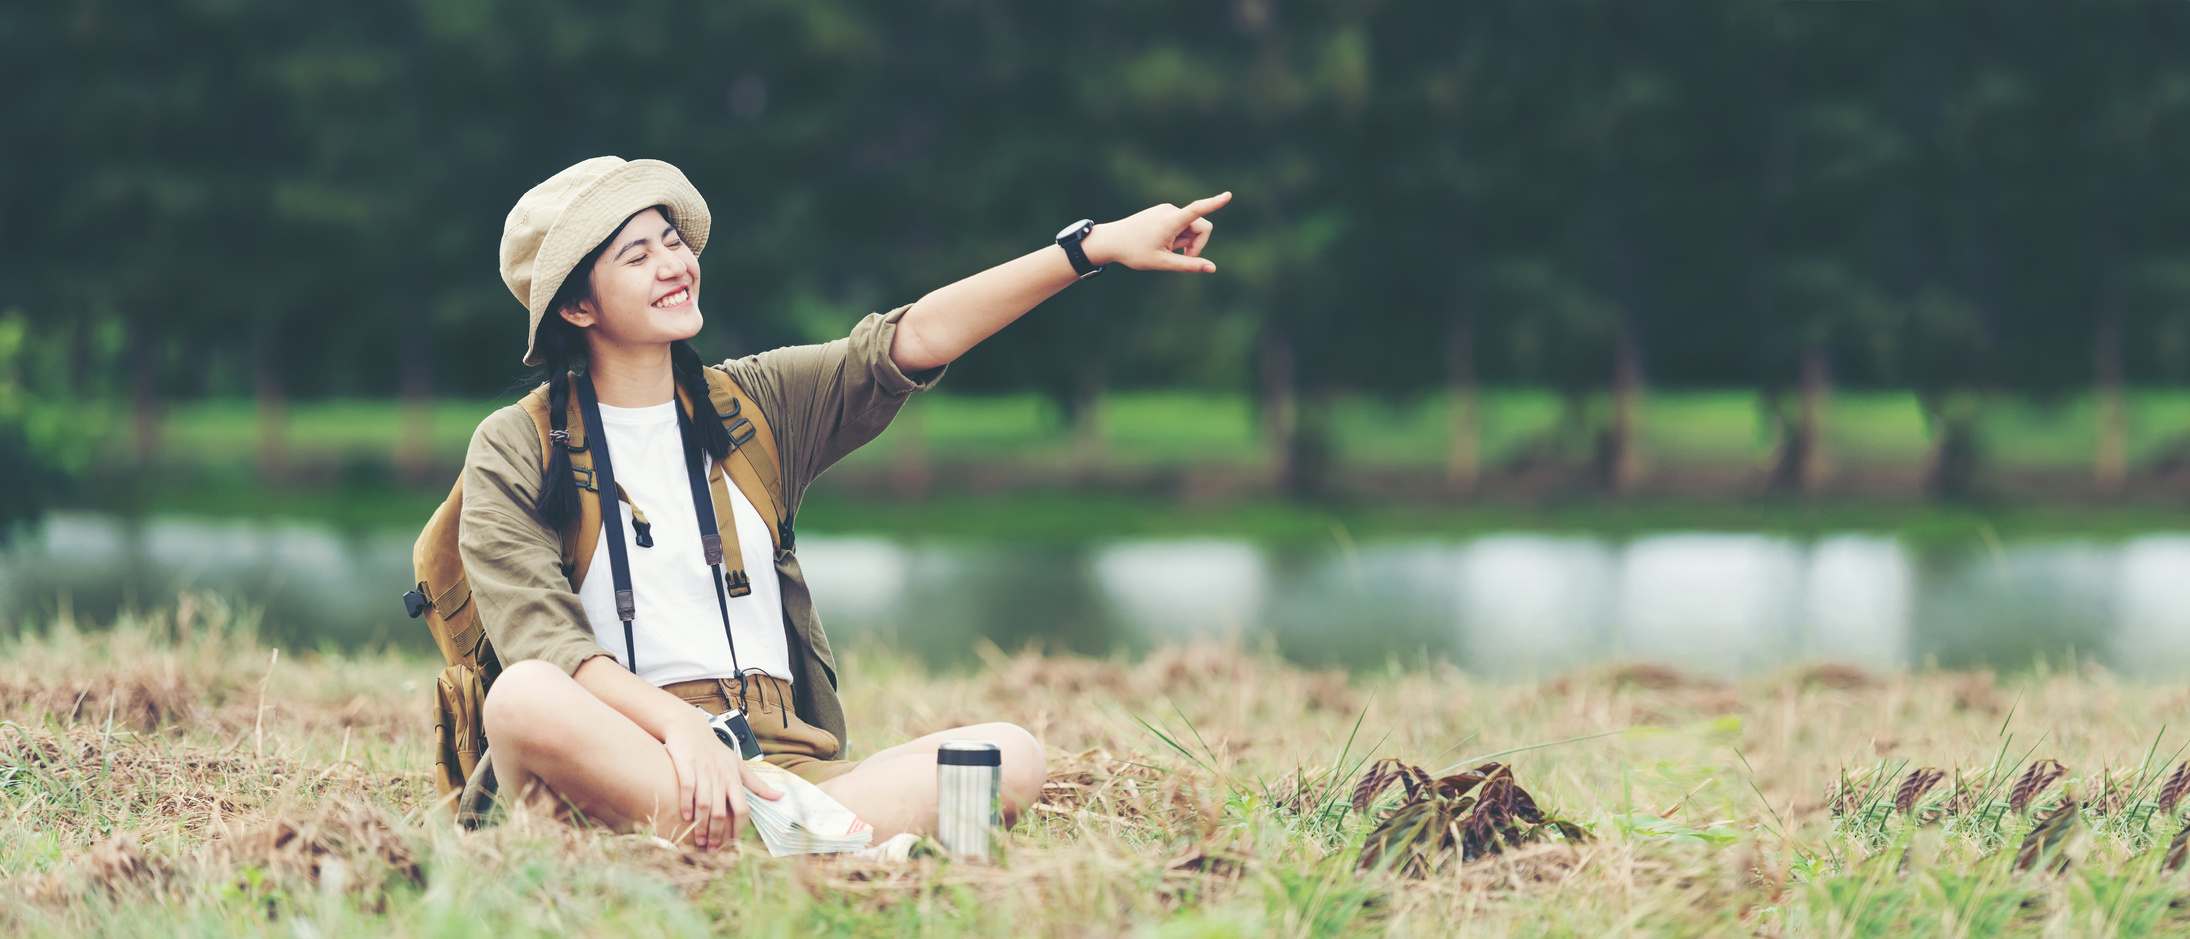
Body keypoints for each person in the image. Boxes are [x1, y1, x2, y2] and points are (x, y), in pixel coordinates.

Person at [466, 156, 1229, 851]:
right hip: (628, 764)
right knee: (524, 698)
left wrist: (1092, 248)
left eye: (672, 240)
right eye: (638, 256)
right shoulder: (515, 446)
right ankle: (800, 845)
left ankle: (780, 843)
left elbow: (915, 335)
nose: (675, 265)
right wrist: (680, 729)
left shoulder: (754, 403)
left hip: (787, 774)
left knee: (1009, 753)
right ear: (576, 308)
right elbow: (548, 649)